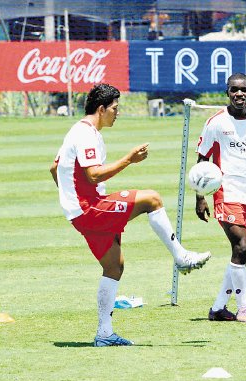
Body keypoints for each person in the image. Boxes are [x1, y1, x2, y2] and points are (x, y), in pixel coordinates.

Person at [50, 83, 211, 347]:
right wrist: (129, 159)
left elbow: (54, 168)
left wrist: (69, 200)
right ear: (101, 109)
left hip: (79, 212)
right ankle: (181, 257)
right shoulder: (86, 134)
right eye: (115, 108)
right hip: (89, 208)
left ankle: (104, 334)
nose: (117, 113)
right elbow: (93, 175)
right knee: (152, 199)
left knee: (114, 266)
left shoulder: (77, 131)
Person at [195, 73, 246, 322]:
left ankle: (218, 308)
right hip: (225, 194)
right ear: (227, 92)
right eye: (234, 90)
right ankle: (243, 307)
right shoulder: (216, 123)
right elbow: (202, 159)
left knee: (244, 254)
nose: (239, 94)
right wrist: (200, 197)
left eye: (243, 90)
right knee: (241, 247)